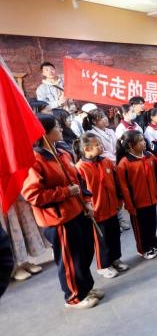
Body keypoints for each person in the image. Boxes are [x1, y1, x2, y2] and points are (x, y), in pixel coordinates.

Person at [21, 114, 100, 309]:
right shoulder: (34, 160)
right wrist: (65, 192)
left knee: (83, 253)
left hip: (77, 211)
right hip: (59, 219)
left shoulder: (62, 152)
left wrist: (87, 202)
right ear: (44, 133)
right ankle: (73, 297)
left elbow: (78, 181)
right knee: (69, 260)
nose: (61, 128)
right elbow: (33, 195)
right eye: (56, 126)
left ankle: (85, 288)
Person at [75, 133, 128, 279]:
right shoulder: (80, 168)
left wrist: (119, 199)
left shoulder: (106, 162)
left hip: (112, 207)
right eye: (97, 145)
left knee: (114, 235)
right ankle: (103, 265)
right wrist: (87, 208)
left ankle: (115, 259)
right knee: (101, 241)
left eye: (100, 143)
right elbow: (81, 192)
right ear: (87, 149)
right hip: (97, 211)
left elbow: (116, 182)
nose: (101, 146)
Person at [116, 131, 157, 260]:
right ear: (131, 146)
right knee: (141, 228)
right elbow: (124, 188)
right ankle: (143, 249)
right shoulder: (124, 163)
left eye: (143, 139)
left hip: (151, 199)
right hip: (137, 203)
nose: (144, 142)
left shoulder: (149, 156)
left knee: (152, 224)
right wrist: (130, 205)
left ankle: (153, 244)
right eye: (140, 141)